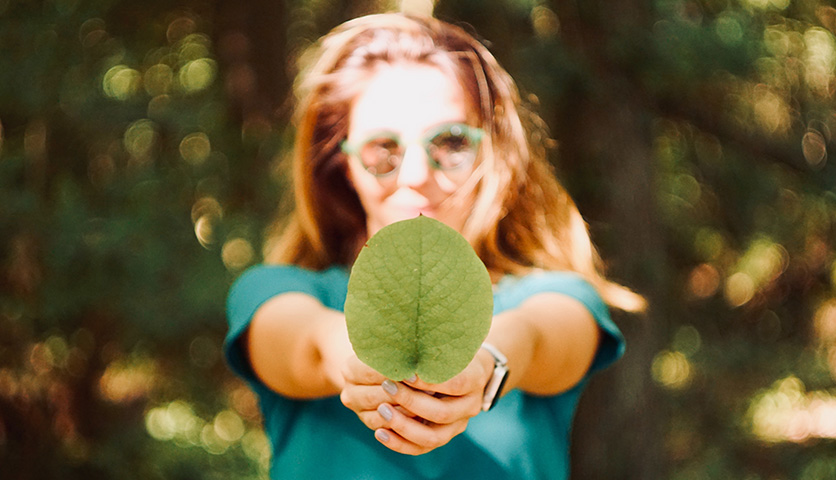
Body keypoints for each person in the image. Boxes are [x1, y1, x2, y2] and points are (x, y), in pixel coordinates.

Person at [224, 12, 644, 480]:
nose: (416, 175)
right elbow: (308, 345)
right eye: (382, 148)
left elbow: (538, 337)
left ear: (491, 151)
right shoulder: (273, 291)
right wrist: (358, 360)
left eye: (450, 142)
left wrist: (486, 366)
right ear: (342, 163)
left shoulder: (556, 297)